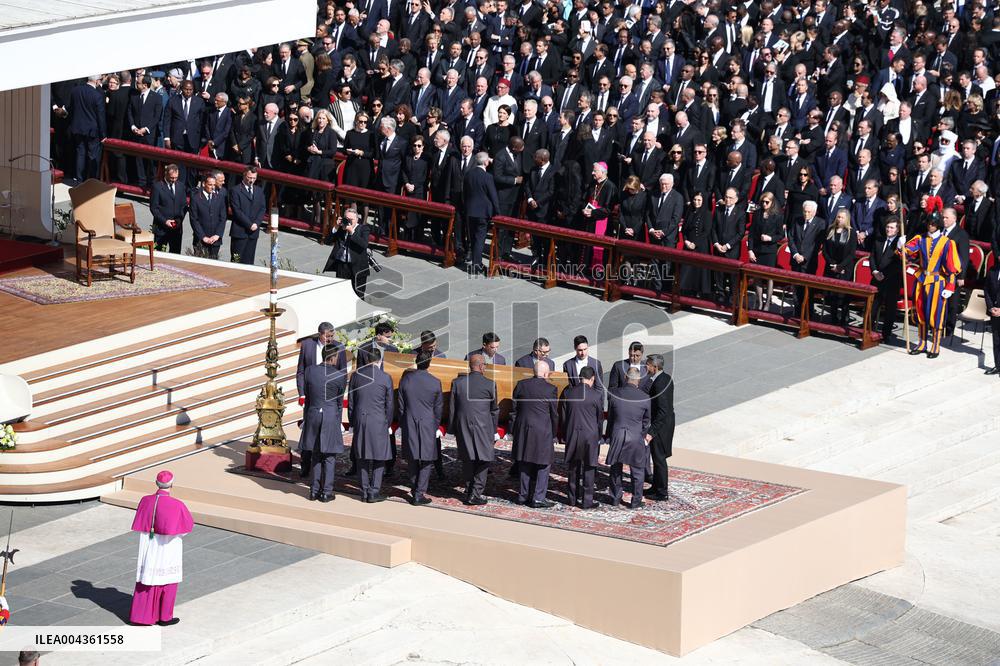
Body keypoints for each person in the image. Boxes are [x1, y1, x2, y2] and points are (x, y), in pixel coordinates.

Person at [129, 470, 194, 626]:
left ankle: (141, 617)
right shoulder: (177, 504)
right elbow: (186, 528)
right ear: (171, 484)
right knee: (168, 579)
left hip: (149, 544)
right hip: (168, 546)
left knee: (148, 579)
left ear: (156, 483)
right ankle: (164, 617)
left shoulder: (145, 500)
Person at [905, 213, 962, 358]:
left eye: (933, 223)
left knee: (935, 315)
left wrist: (950, 287)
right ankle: (922, 343)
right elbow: (907, 252)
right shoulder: (920, 238)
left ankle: (935, 346)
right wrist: (901, 246)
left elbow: (951, 268)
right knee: (921, 312)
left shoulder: (947, 243)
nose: (930, 225)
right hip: (922, 279)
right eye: (929, 223)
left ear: (938, 225)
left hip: (938, 282)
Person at [449, 353, 499, 505]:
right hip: (483, 427)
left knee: (468, 458)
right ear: (482, 366)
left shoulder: (457, 383)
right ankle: (475, 493)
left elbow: (453, 408)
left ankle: (469, 488)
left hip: (463, 425)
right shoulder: (490, 384)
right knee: (483, 459)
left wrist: (452, 428)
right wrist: (494, 430)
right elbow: (494, 410)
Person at [301, 344, 348, 502]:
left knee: (315, 454)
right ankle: (326, 491)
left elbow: (308, 395)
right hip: (330, 416)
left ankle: (314, 491)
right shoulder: (340, 375)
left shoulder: (310, 371)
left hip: (313, 413)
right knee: (329, 455)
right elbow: (339, 402)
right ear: (334, 358)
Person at [348, 347, 395, 502]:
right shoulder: (385, 377)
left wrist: (352, 422)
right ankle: (374, 490)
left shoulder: (356, 376)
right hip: (379, 420)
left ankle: (364, 491)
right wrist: (387, 422)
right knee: (379, 456)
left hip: (361, 419)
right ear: (379, 360)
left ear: (367, 360)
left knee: (361, 456)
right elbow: (389, 405)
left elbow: (351, 403)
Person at [510, 361, 559, 508]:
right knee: (544, 463)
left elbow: (514, 409)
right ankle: (538, 497)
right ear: (545, 373)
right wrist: (554, 433)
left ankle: (523, 495)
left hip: (523, 428)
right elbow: (554, 414)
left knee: (524, 461)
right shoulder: (551, 389)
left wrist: (514, 429)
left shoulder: (521, 384)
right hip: (542, 430)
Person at [398, 350, 444, 505]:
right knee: (426, 459)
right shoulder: (435, 382)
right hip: (427, 423)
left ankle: (414, 488)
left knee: (412, 458)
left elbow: (401, 406)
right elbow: (438, 409)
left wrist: (404, 422)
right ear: (429, 363)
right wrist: (435, 424)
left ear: (416, 362)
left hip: (410, 421)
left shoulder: (405, 380)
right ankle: (419, 492)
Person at [559, 365, 604, 508]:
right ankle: (587, 501)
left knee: (573, 467)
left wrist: (566, 433)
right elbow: (599, 418)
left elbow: (563, 417)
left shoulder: (568, 393)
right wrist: (598, 434)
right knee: (589, 468)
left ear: (579, 378)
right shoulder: (596, 395)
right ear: (592, 379)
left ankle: (572, 499)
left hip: (573, 434)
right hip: (590, 436)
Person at [605, 368, 651, 508]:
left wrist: (609, 435)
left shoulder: (615, 394)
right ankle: (636, 501)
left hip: (618, 434)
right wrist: (642, 434)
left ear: (625, 377)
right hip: (636, 436)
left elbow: (611, 418)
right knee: (637, 470)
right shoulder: (645, 398)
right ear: (638, 380)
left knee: (615, 468)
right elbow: (647, 421)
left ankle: (615, 498)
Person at [463, 152, 501, 275]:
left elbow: (465, 193)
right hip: (483, 213)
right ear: (485, 162)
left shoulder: (468, 174)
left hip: (470, 211)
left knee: (473, 238)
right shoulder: (488, 177)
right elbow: (493, 196)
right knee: (480, 239)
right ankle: (476, 264)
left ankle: (476, 262)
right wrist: (497, 212)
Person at [644, 354, 674, 501]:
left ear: (655, 367)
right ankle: (656, 485)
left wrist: (652, 431)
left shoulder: (659, 383)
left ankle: (661, 492)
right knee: (657, 458)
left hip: (661, 427)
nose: (646, 367)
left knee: (659, 458)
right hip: (665, 424)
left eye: (648, 364)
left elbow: (662, 410)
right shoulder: (666, 378)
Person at [869, 218, 904, 343]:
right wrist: (874, 271)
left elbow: (898, 264)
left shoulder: (899, 244)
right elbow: (872, 257)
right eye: (888, 227)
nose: (889, 230)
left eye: (892, 227)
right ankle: (868, 329)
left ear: (898, 229)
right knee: (873, 306)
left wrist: (883, 274)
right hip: (876, 278)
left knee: (890, 309)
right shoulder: (879, 240)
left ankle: (886, 334)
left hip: (891, 281)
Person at [747, 191, 784, 310]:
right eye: (762, 201)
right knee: (757, 276)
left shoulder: (777, 215)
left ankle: (768, 302)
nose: (764, 204)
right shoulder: (757, 214)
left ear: (772, 202)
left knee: (769, 277)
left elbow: (780, 235)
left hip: (770, 251)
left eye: (767, 202)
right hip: (758, 249)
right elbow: (751, 233)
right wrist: (750, 250)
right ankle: (759, 301)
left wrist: (770, 238)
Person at [822, 209, 859, 325]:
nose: (839, 219)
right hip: (831, 266)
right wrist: (832, 263)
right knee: (832, 294)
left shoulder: (851, 233)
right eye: (838, 217)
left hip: (845, 267)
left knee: (843, 294)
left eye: (842, 217)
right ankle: (833, 317)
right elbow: (825, 250)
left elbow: (852, 253)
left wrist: (840, 266)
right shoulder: (830, 229)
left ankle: (844, 317)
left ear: (847, 219)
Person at [323, 208, 370, 298]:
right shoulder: (341, 229)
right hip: (342, 266)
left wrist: (352, 232)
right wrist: (336, 227)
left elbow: (364, 244)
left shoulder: (364, 229)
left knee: (358, 296)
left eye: (350, 220)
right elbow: (327, 241)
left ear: (357, 219)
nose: (348, 222)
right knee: (341, 294)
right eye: (346, 219)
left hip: (358, 268)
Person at [67, 76, 106, 182]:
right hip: (92, 131)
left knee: (80, 154)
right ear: (97, 81)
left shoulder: (75, 91)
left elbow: (71, 109)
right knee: (93, 156)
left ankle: (80, 180)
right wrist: (103, 135)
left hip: (78, 128)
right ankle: (92, 181)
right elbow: (101, 117)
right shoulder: (97, 95)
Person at [678, 192, 712, 297]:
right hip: (688, 244)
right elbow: (684, 230)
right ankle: (685, 292)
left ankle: (698, 293)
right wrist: (686, 241)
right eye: (695, 200)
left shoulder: (707, 213)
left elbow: (706, 231)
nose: (696, 202)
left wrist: (695, 243)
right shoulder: (689, 211)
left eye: (699, 200)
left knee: (698, 271)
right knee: (686, 269)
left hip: (700, 245)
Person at [229, 166, 265, 265]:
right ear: (244, 175)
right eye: (249, 178)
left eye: (254, 178)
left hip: (253, 233)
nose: (251, 180)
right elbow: (237, 211)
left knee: (249, 262)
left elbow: (262, 209)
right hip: (240, 232)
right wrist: (249, 224)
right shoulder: (235, 190)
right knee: (236, 260)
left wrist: (257, 223)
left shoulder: (259, 191)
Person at [149, 164, 187, 253]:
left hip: (176, 228)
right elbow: (154, 208)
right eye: (171, 178)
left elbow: (184, 206)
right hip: (161, 228)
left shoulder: (181, 186)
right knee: (159, 252)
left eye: (176, 177)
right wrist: (165, 221)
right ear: (166, 174)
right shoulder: (157, 187)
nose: (174, 180)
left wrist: (179, 220)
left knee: (176, 253)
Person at [189, 174, 227, 259]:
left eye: (214, 185)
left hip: (215, 240)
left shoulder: (220, 197)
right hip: (201, 240)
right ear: (203, 184)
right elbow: (194, 219)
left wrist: (217, 235)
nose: (213, 187)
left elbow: (223, 218)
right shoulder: (196, 198)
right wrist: (203, 237)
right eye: (210, 185)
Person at [985, 265, 1000, 376]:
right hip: (994, 311)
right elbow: (987, 290)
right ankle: (998, 366)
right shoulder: (993, 271)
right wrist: (991, 307)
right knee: (996, 340)